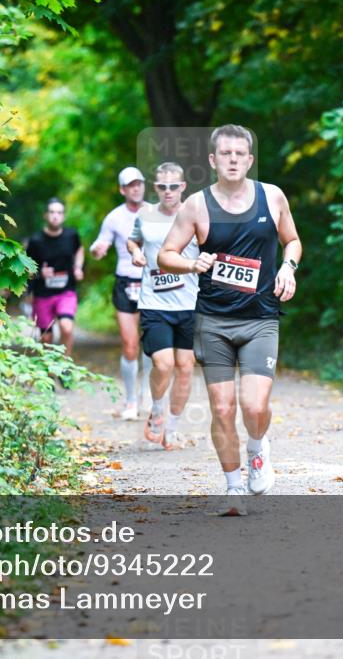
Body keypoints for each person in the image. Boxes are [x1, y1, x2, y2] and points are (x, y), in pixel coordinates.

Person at [158, 124, 302, 516]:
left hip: (260, 320)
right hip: (214, 322)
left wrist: (288, 267)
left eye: (240, 153)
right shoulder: (196, 206)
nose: (233, 159)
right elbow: (165, 255)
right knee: (222, 409)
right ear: (213, 159)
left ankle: (258, 447)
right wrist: (191, 263)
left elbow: (292, 240)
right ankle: (233, 488)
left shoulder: (272, 197)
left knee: (253, 406)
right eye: (226, 153)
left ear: (250, 160)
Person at [127, 162, 198, 451]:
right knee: (163, 363)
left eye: (174, 186)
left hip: (190, 303)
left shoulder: (195, 215)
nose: (168, 192)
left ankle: (172, 429)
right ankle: (157, 408)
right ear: (155, 188)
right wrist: (135, 253)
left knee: (185, 367)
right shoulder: (145, 215)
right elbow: (133, 241)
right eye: (162, 187)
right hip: (154, 302)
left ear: (183, 187)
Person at [90, 166, 153, 421]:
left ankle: (147, 394)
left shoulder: (156, 212)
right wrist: (98, 249)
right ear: (122, 190)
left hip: (153, 282)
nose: (136, 188)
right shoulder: (114, 218)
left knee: (151, 344)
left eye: (139, 183)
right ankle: (130, 400)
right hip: (125, 282)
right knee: (130, 345)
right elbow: (100, 243)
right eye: (130, 185)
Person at [24, 198, 84, 358]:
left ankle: (65, 365)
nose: (55, 216)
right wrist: (40, 273)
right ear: (45, 215)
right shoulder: (36, 241)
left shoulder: (71, 235)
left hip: (66, 291)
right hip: (43, 294)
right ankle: (49, 368)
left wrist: (78, 267)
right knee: (46, 337)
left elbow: (79, 250)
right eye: (52, 212)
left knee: (67, 327)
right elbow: (26, 269)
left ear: (64, 216)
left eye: (59, 213)